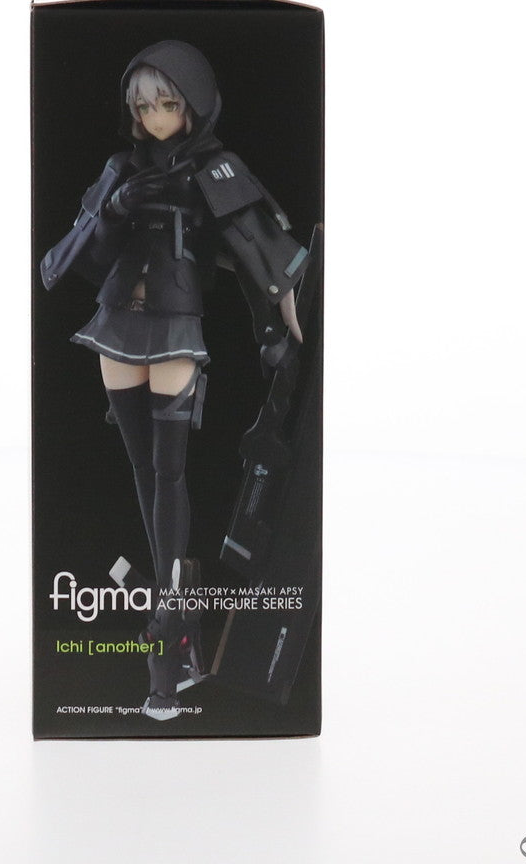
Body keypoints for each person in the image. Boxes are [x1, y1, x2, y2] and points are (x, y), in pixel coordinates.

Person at [41, 40, 308, 719]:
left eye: (167, 104)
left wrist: (284, 312)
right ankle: (173, 596)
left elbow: (260, 248)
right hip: (116, 326)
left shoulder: (215, 169)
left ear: (194, 105)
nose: (155, 118)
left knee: (169, 471)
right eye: (144, 106)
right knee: (144, 469)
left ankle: (167, 612)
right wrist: (115, 207)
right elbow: (67, 261)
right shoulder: (120, 169)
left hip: (175, 328)